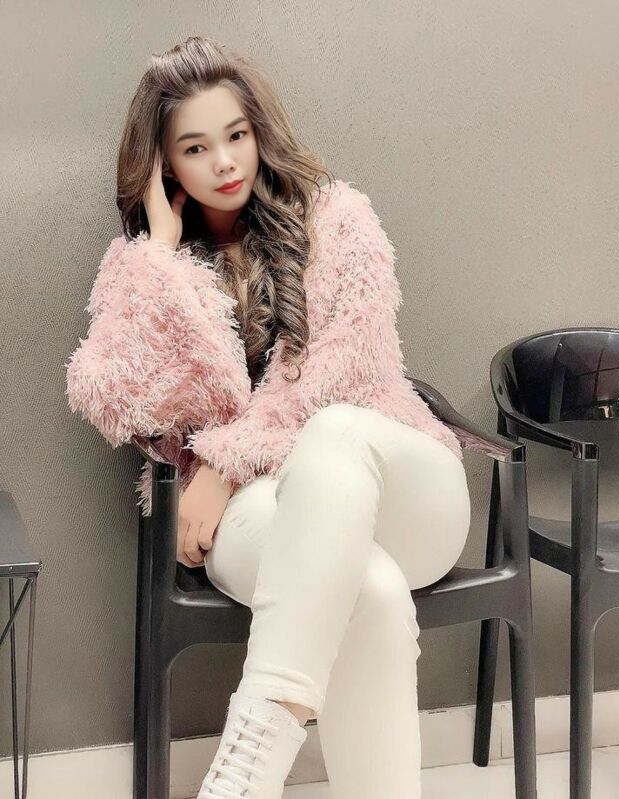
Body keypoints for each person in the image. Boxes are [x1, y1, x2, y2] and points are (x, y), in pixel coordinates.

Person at [65, 36, 471, 799]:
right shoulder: (148, 266)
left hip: (403, 489)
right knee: (371, 593)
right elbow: (112, 395)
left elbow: (339, 380)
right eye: (195, 147)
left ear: (260, 131)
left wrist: (223, 461)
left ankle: (248, 766)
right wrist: (158, 258)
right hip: (259, 515)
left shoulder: (339, 220)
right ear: (163, 165)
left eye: (237, 134)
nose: (224, 161)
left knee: (334, 430)